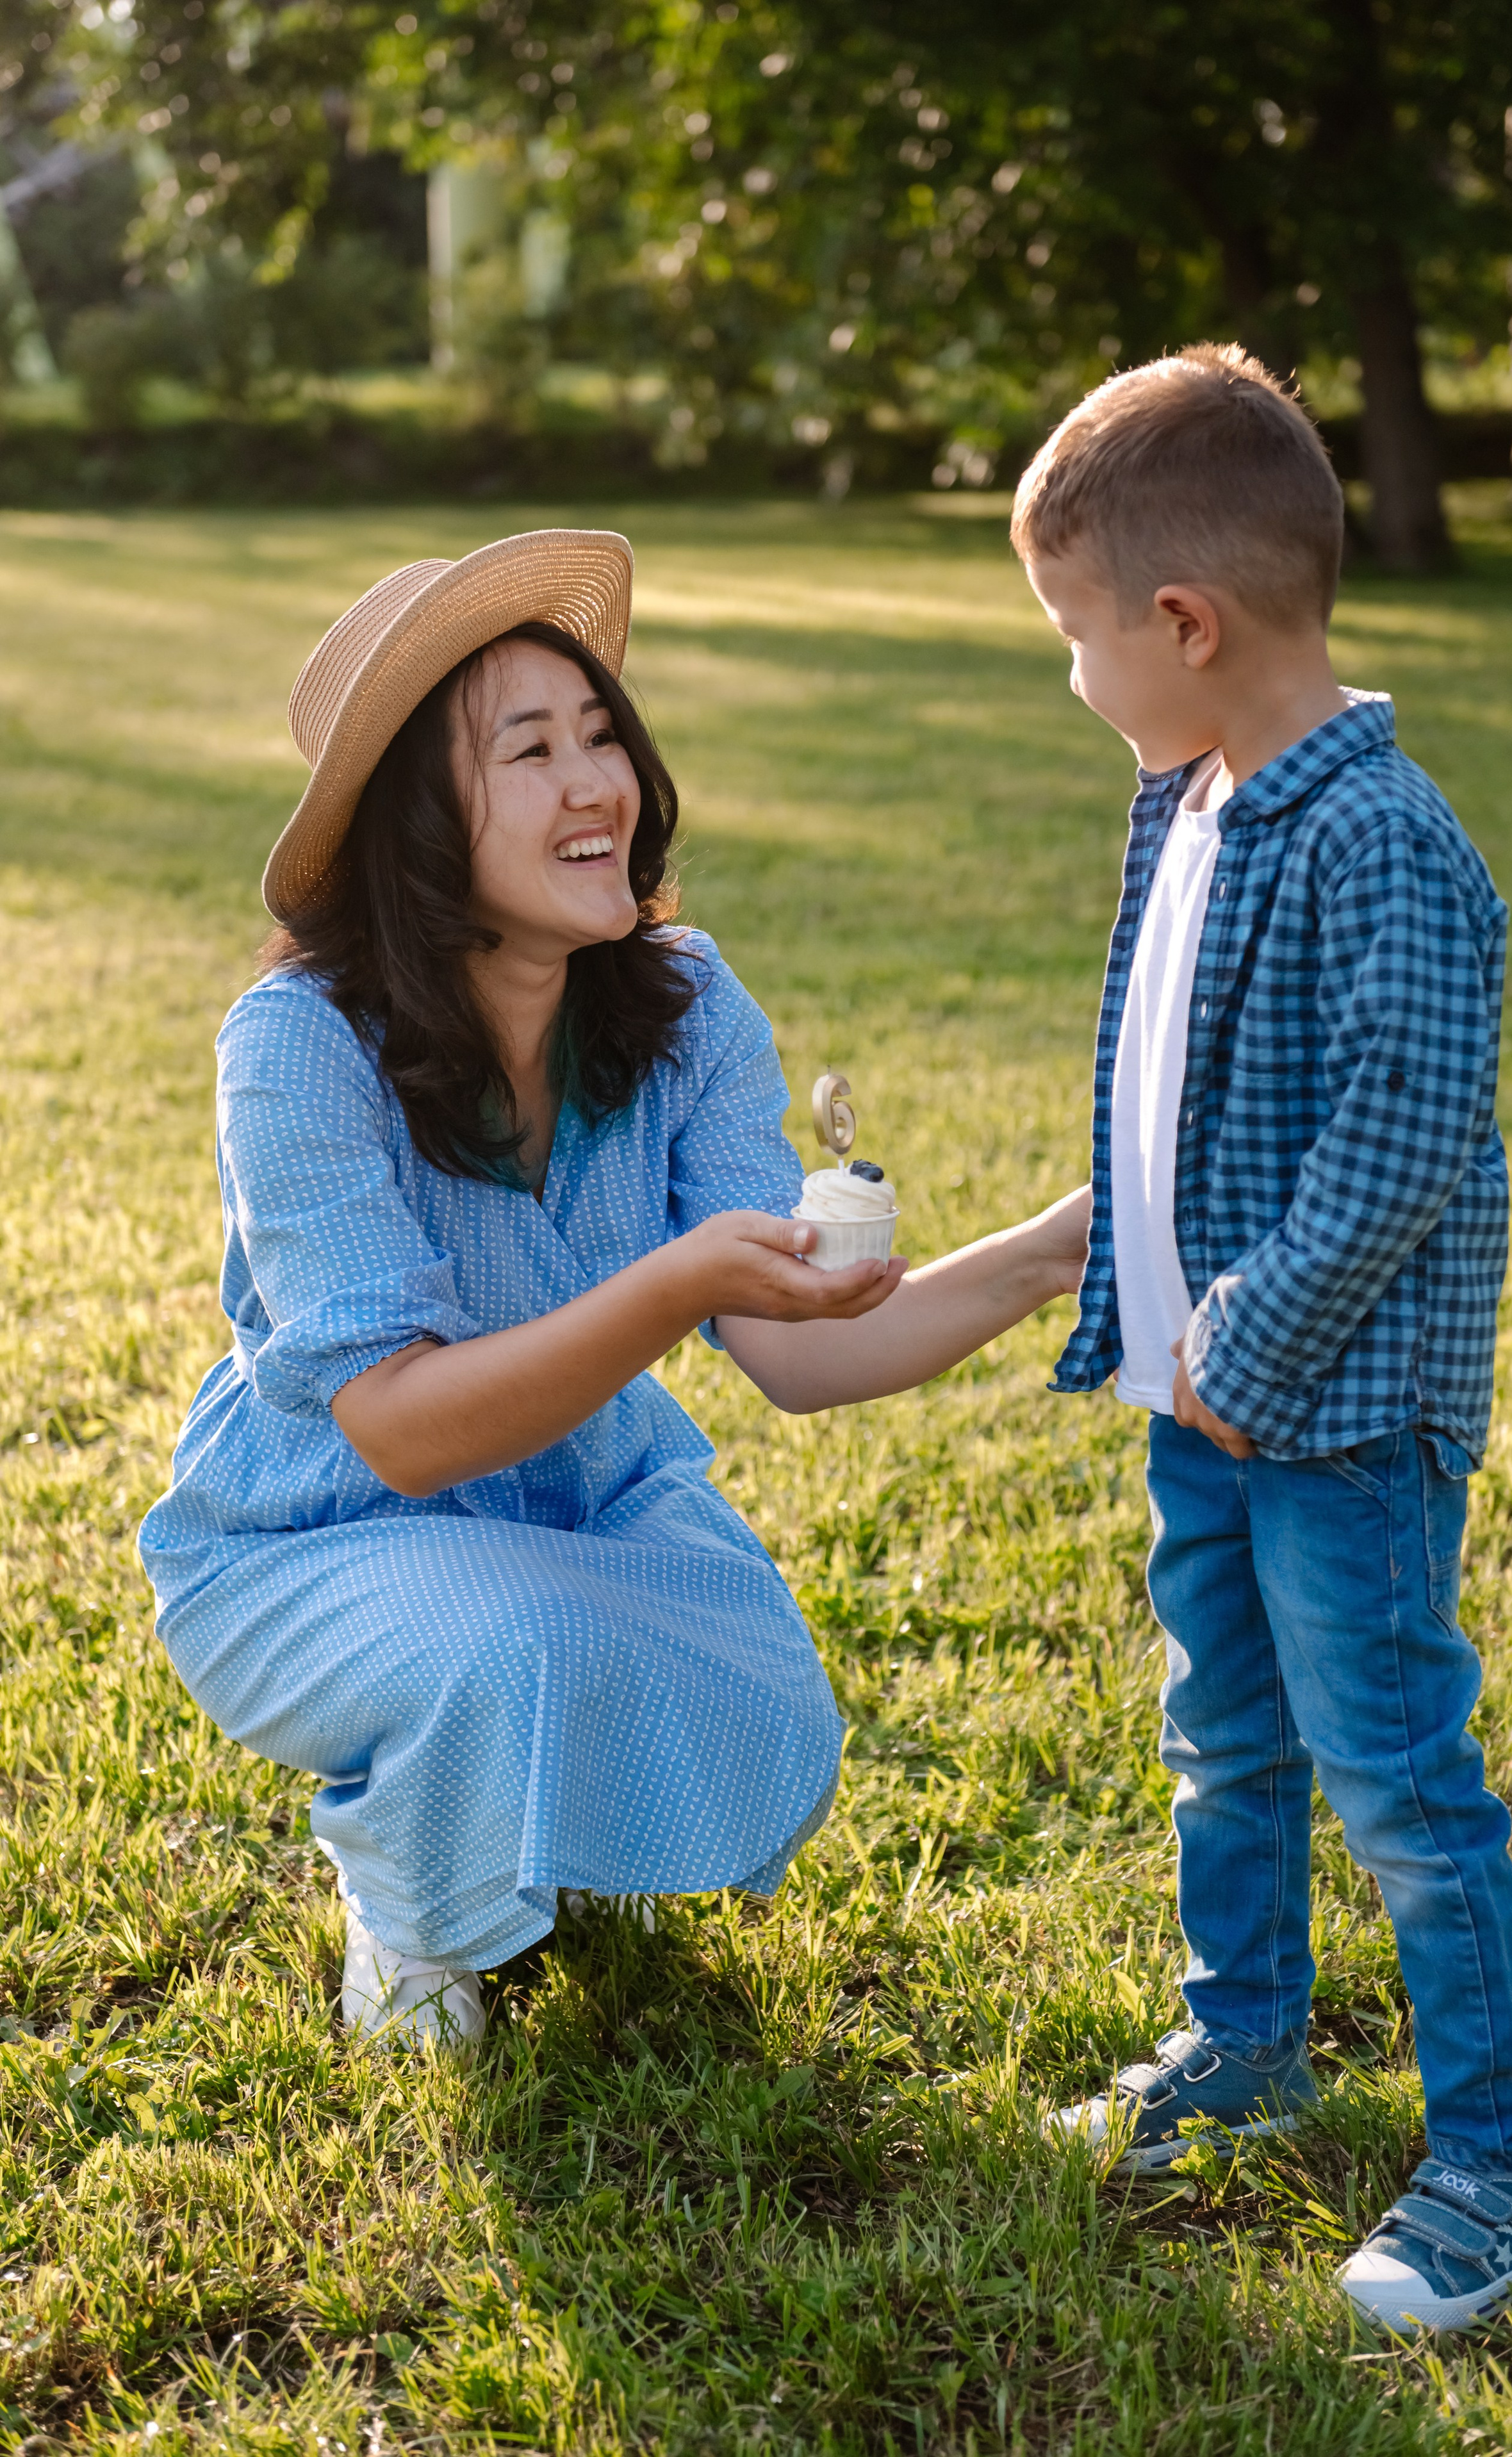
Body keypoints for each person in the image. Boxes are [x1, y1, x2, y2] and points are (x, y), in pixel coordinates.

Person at [138, 530, 1090, 2055]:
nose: (598, 786)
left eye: (603, 737)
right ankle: (410, 1897)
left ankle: (540, 1812)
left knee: (764, 1685)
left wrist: (1057, 1247)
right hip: (318, 1532)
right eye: (530, 750)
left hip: (578, 1504)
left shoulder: (684, 999)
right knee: (517, 1647)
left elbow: (790, 1348)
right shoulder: (297, 1041)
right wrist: (673, 1284)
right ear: (420, 825)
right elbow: (400, 1431)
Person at [1012, 347, 1512, 2334]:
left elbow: (1407, 1129)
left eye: (1077, 634)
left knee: (1401, 1780)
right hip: (1210, 1398)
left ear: (1186, 623)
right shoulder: (1194, 798)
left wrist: (1245, 1339)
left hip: (1332, 1409)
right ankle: (1245, 2048)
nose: (1072, 674)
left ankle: (1505, 2164)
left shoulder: (1381, 838)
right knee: (1224, 1738)